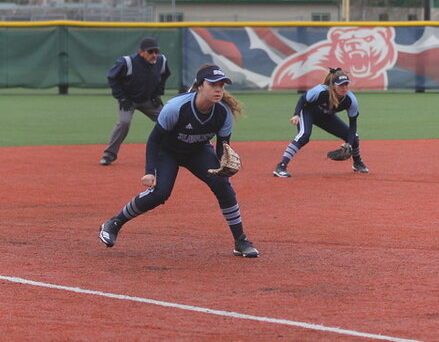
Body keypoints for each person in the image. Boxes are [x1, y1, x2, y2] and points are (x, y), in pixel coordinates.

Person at [99, 63, 259, 258]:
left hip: (198, 151)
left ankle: (240, 241)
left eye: (222, 85)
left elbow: (222, 146)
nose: (218, 89)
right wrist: (149, 171)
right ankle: (115, 222)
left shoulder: (223, 113)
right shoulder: (177, 107)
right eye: (213, 84)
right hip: (168, 151)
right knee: (160, 193)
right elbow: (154, 139)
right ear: (200, 86)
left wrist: (224, 165)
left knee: (223, 186)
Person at [272, 67, 368, 178]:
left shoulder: (350, 100)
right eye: (341, 85)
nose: (344, 88)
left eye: (346, 84)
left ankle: (357, 162)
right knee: (304, 136)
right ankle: (281, 166)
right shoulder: (321, 91)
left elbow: (353, 124)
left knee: (353, 137)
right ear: (333, 85)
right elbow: (303, 99)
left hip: (325, 117)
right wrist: (296, 114)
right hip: (308, 112)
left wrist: (349, 144)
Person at [99, 37, 171, 166]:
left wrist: (157, 94)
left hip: (149, 100)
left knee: (168, 119)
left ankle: (173, 152)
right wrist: (121, 97)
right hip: (128, 100)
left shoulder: (161, 61)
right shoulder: (127, 62)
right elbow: (112, 78)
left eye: (156, 51)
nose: (154, 55)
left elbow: (164, 76)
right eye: (150, 52)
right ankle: (109, 154)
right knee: (124, 122)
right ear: (141, 52)